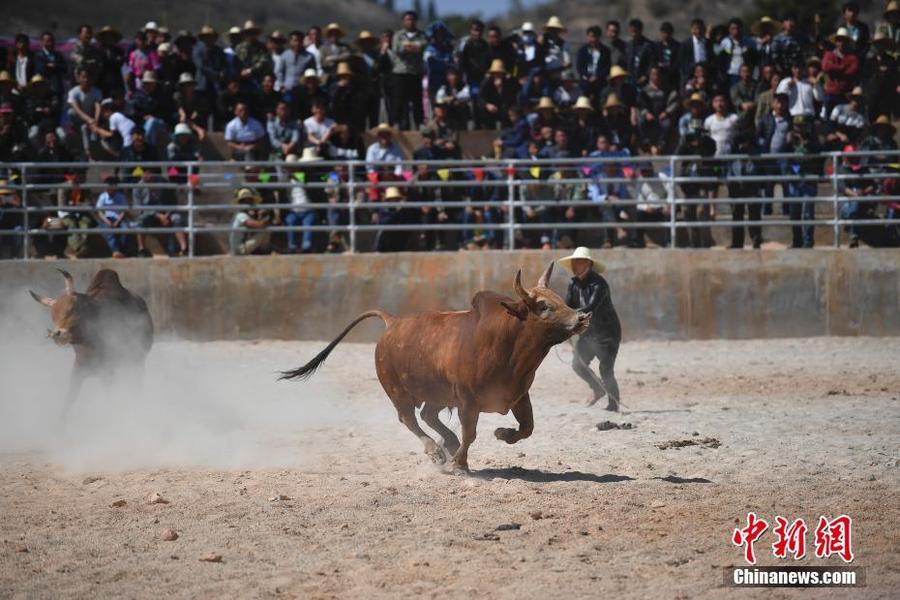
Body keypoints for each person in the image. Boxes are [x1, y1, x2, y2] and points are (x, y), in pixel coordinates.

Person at [559, 247, 621, 411]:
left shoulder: (599, 284)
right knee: (578, 364)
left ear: (588, 264)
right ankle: (598, 388)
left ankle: (613, 404)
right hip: (588, 334)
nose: (575, 265)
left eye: (578, 262)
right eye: (573, 262)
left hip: (607, 334)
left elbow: (590, 307)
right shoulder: (573, 284)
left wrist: (570, 317)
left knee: (605, 369)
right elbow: (568, 307)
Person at [390, 11, 427, 129]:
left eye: (412, 19)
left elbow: (422, 46)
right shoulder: (398, 35)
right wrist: (412, 46)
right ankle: (397, 122)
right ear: (403, 21)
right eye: (407, 19)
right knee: (399, 100)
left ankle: (419, 122)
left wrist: (407, 46)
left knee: (417, 100)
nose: (410, 22)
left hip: (416, 71)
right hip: (400, 71)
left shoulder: (421, 35)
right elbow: (397, 49)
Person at [95, 175, 130, 258]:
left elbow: (124, 211)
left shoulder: (120, 196)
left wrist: (117, 221)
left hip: (119, 218)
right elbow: (100, 212)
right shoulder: (103, 196)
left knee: (125, 230)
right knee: (108, 232)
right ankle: (116, 251)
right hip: (106, 218)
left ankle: (122, 250)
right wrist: (108, 222)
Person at [230, 187, 271, 255]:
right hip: (240, 249)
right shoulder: (241, 215)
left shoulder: (242, 214)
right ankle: (263, 251)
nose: (248, 203)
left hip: (241, 246)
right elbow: (258, 225)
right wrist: (266, 220)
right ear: (240, 203)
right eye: (245, 201)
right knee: (266, 231)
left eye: (249, 201)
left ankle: (261, 250)